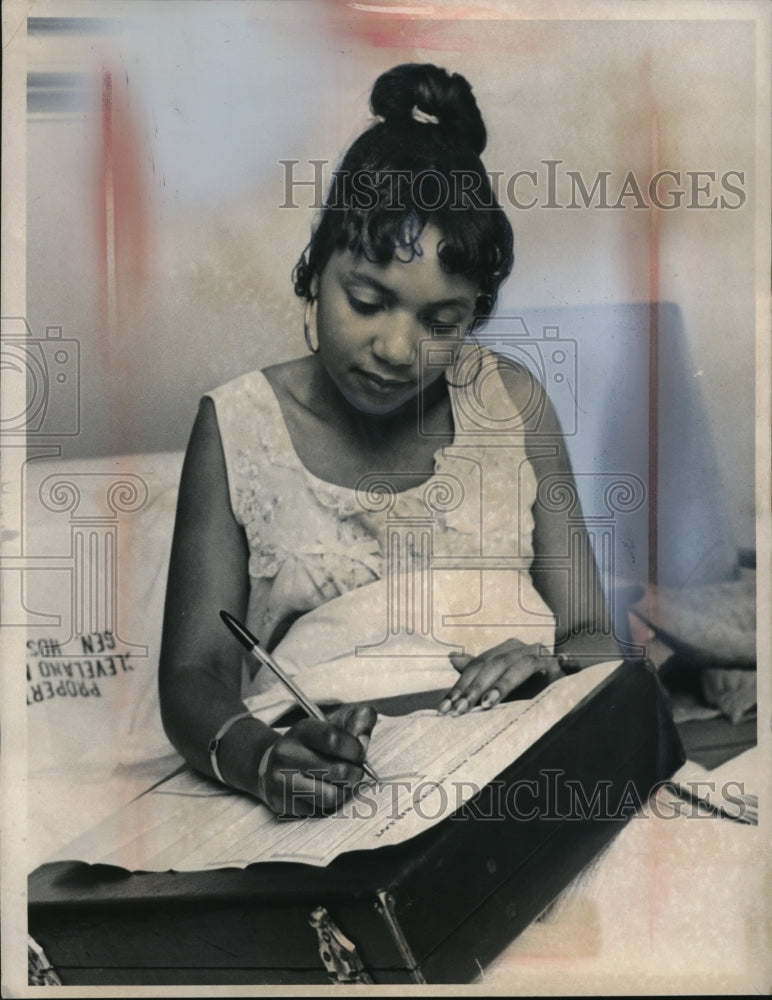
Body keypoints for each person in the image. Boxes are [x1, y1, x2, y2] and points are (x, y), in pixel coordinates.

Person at [159, 63, 618, 818]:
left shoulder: (514, 404)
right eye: (368, 301)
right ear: (317, 269)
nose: (400, 351)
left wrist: (553, 665)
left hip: (524, 768)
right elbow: (192, 676)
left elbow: (594, 632)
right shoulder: (236, 426)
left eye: (443, 322)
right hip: (334, 789)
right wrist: (265, 759)